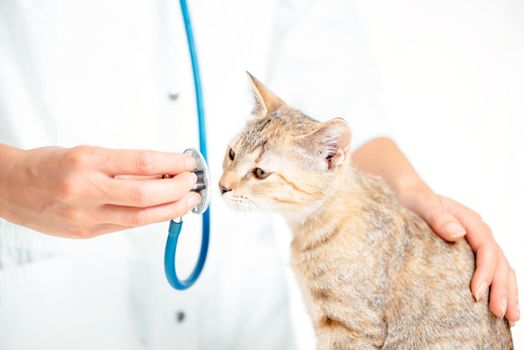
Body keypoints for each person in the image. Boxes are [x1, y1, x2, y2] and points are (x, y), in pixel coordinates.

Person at [0, 0, 518, 349]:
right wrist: (13, 180)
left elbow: (340, 101)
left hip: (245, 315)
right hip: (59, 308)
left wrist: (411, 195)